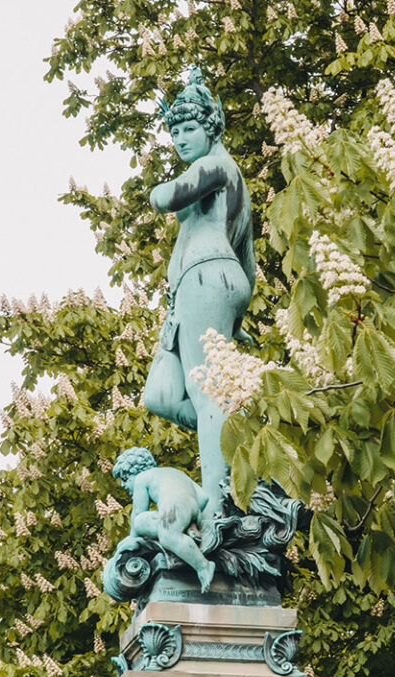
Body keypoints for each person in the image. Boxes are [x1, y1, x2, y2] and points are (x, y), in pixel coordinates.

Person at [143, 67, 255, 519]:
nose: (180, 140)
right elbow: (247, 257)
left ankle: (219, 506)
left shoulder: (215, 166)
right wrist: (236, 314)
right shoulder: (225, 177)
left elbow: (167, 197)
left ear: (212, 128)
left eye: (189, 129)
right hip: (205, 286)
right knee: (162, 394)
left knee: (207, 391)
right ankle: (235, 433)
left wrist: (156, 191)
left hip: (206, 277)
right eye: (174, 132)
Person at [112, 447, 215, 592]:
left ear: (135, 471)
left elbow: (138, 511)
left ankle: (204, 566)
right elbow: (204, 498)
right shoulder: (174, 473)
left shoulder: (142, 478)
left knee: (163, 534)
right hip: (193, 509)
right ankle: (188, 528)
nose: (123, 485)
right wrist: (189, 515)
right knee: (151, 523)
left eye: (125, 479)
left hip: (175, 505)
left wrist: (133, 538)